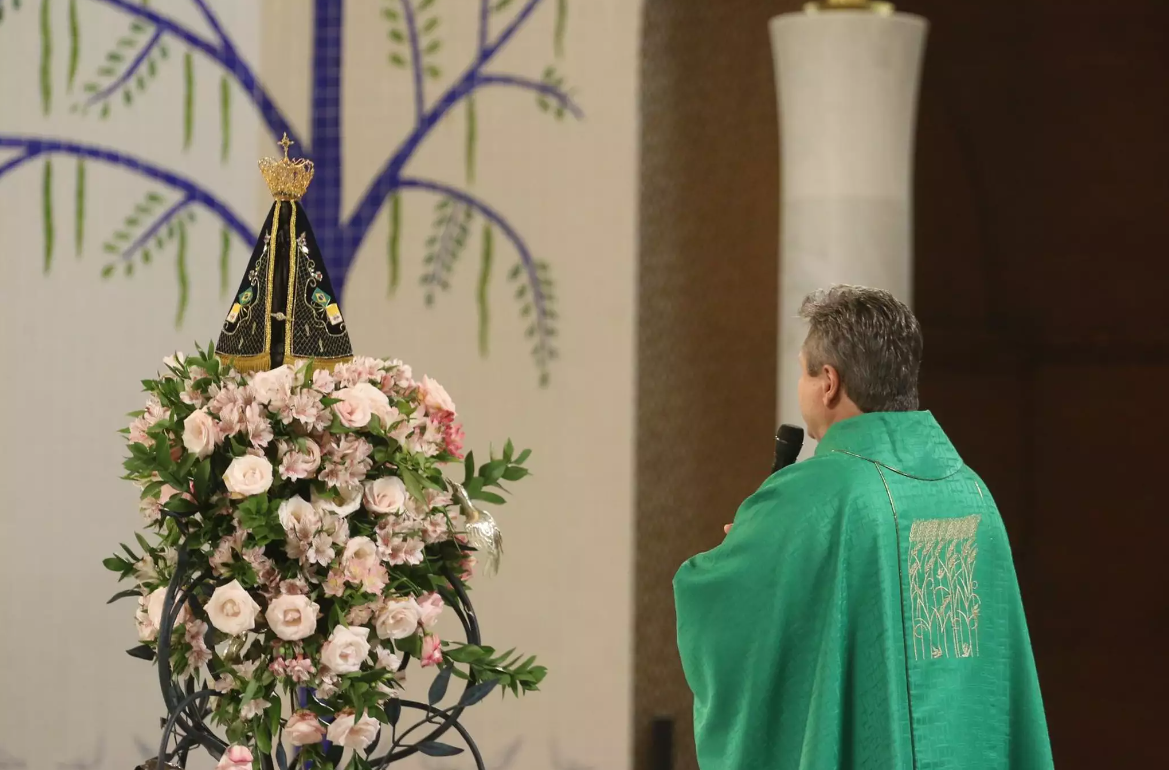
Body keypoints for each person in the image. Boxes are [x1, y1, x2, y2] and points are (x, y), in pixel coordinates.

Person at [673, 285, 1053, 769]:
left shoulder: (814, 492)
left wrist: (746, 554)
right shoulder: (972, 493)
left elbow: (717, 606)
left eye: (803, 372)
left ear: (828, 382)